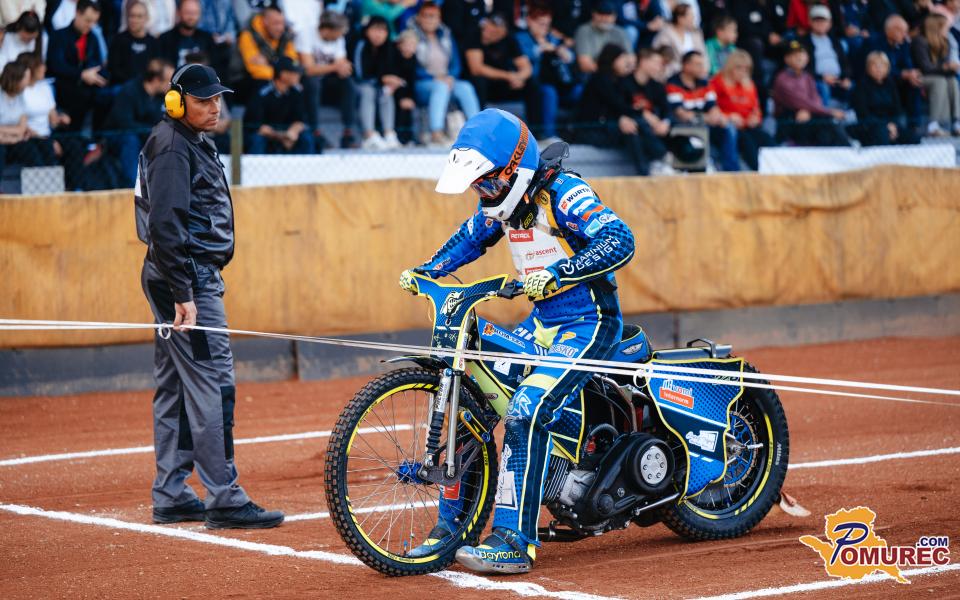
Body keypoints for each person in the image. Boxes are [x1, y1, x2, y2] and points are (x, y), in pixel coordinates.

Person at [399, 108, 634, 575]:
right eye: (478, 186)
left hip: (589, 323)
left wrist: (561, 271)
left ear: (515, 169)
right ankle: (453, 528)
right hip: (542, 322)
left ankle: (514, 540)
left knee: (526, 410)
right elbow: (469, 239)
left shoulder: (564, 193)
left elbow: (619, 238)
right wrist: (427, 271)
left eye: (488, 183)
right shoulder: (503, 204)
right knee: (473, 403)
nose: (483, 193)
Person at [136, 62, 284, 530]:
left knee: (177, 385)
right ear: (177, 102)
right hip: (187, 280)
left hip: (178, 276)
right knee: (213, 383)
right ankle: (224, 497)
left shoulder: (186, 140)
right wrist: (184, 291)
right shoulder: (173, 147)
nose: (215, 106)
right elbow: (165, 224)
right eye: (203, 100)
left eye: (217, 97)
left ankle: (171, 492)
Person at [577, 43, 668, 175]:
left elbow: (620, 107)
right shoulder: (600, 79)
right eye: (622, 59)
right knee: (634, 126)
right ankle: (655, 162)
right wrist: (640, 113)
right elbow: (616, 105)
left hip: (608, 125)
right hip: (592, 129)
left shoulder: (617, 80)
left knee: (632, 126)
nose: (626, 63)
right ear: (612, 60)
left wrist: (628, 116)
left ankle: (654, 164)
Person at [408, 1, 480, 146]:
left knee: (465, 87)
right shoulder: (411, 36)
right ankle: (436, 133)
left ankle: (479, 131)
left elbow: (456, 63)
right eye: (426, 16)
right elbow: (411, 67)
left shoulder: (446, 35)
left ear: (439, 18)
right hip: (422, 83)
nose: (430, 20)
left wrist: (451, 77)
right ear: (419, 18)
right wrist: (434, 78)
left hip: (447, 80)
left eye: (433, 16)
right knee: (440, 87)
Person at [103, 57, 172, 187]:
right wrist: (151, 131)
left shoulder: (162, 97)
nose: (172, 85)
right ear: (156, 80)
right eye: (169, 81)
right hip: (118, 136)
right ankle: (134, 186)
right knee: (131, 140)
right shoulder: (129, 91)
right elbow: (124, 123)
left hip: (146, 136)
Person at [666, 50, 738, 171]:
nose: (702, 68)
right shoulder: (673, 84)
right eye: (698, 64)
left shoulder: (705, 83)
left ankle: (731, 170)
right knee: (701, 127)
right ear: (686, 66)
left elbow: (713, 107)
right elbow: (681, 113)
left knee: (728, 127)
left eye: (702, 64)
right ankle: (706, 164)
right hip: (684, 126)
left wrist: (718, 117)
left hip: (705, 122)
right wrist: (706, 118)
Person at [466, 14, 541, 129]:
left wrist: (519, 77)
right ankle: (479, 128)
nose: (488, 34)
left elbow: (526, 67)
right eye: (487, 29)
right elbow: (476, 69)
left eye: (494, 32)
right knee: (479, 82)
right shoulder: (474, 36)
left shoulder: (509, 39)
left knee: (532, 83)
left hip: (505, 83)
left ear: (503, 32)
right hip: (485, 83)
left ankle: (537, 130)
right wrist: (509, 76)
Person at [515, 7, 578, 140]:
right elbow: (523, 63)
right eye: (540, 23)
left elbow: (571, 58)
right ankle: (549, 135)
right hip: (536, 84)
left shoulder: (553, 38)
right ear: (529, 21)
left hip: (561, 82)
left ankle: (579, 132)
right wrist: (540, 50)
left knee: (579, 91)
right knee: (549, 92)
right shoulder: (521, 38)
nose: (544, 27)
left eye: (547, 24)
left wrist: (561, 52)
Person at [771, 41, 851, 146]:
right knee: (822, 121)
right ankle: (846, 148)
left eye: (802, 54)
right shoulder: (782, 79)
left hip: (809, 115)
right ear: (786, 59)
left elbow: (816, 99)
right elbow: (798, 102)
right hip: (789, 120)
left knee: (825, 123)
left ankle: (844, 148)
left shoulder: (807, 76)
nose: (799, 57)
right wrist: (829, 112)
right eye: (794, 55)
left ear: (808, 58)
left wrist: (810, 111)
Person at [299, 10, 359, 148]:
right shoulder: (306, 35)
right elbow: (308, 69)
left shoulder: (338, 39)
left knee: (349, 84)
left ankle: (348, 133)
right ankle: (315, 132)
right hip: (307, 80)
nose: (340, 36)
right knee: (312, 83)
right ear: (326, 30)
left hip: (328, 79)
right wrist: (335, 66)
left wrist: (340, 67)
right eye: (338, 32)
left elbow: (342, 66)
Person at [46, 0, 106, 131]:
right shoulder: (59, 36)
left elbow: (97, 63)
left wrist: (93, 75)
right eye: (88, 20)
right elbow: (56, 65)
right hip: (64, 87)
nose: (91, 25)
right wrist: (81, 74)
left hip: (89, 88)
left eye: (94, 22)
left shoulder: (93, 38)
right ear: (77, 13)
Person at [710, 49, 774, 170]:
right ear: (730, 67)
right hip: (727, 127)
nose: (742, 72)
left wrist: (755, 118)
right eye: (739, 68)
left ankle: (775, 171)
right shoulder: (717, 83)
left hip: (747, 126)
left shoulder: (749, 85)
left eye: (746, 69)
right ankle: (755, 172)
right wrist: (728, 116)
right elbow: (711, 108)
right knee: (747, 142)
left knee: (767, 139)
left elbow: (756, 109)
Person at [244, 55, 314, 154]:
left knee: (306, 138)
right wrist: (282, 137)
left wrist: (293, 132)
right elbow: (258, 127)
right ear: (283, 74)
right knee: (257, 140)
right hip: (267, 136)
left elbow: (301, 120)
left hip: (288, 135)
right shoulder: (262, 93)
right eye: (294, 72)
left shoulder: (297, 92)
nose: (298, 75)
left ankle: (306, 164)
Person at [353, 16, 402, 150]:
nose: (378, 34)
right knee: (368, 91)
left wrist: (393, 82)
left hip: (378, 85)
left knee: (386, 91)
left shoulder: (390, 48)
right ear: (367, 31)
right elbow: (359, 73)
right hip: (358, 84)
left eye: (382, 31)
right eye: (375, 30)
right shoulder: (360, 45)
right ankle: (368, 135)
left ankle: (389, 133)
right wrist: (382, 79)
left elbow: (393, 71)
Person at [851, 50, 917, 145]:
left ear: (887, 68)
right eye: (875, 65)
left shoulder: (891, 84)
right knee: (881, 133)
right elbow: (863, 114)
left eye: (882, 65)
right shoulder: (861, 86)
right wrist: (886, 126)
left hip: (890, 124)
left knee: (913, 137)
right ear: (868, 67)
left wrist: (893, 125)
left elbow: (897, 110)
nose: (879, 69)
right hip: (870, 127)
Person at [912, 12, 960, 136]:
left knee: (952, 80)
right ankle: (933, 125)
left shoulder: (944, 41)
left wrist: (951, 68)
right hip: (920, 77)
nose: (948, 31)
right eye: (945, 27)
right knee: (940, 82)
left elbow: (944, 67)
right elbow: (925, 67)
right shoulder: (919, 41)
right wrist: (946, 67)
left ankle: (956, 122)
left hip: (938, 76)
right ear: (936, 27)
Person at [799, 5, 852, 107]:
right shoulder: (804, 42)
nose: (820, 23)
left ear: (830, 23)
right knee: (823, 88)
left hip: (838, 80)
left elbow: (845, 63)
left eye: (823, 20)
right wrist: (822, 77)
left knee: (852, 86)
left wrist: (846, 77)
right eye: (816, 20)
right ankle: (825, 116)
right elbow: (803, 67)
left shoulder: (836, 41)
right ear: (810, 22)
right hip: (817, 81)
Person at [237, 4, 298, 88]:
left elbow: (292, 60)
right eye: (276, 23)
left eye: (282, 23)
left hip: (280, 77)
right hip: (250, 82)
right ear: (264, 21)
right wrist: (281, 73)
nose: (280, 28)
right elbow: (255, 69)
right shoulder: (247, 35)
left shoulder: (284, 33)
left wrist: (271, 65)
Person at [107, 0, 159, 85]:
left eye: (139, 16)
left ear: (146, 18)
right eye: (132, 16)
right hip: (123, 86)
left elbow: (156, 69)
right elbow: (113, 69)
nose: (135, 20)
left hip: (146, 87)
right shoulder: (118, 40)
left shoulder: (153, 42)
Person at [574, 1, 631, 75]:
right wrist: (613, 69)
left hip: (617, 74)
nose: (604, 18)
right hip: (593, 76)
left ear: (614, 16)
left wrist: (620, 67)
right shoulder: (584, 30)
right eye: (601, 14)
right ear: (594, 14)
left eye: (608, 15)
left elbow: (631, 60)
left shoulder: (620, 31)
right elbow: (585, 65)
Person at [652, 3, 706, 78]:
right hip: (672, 76)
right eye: (690, 16)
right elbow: (664, 59)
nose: (693, 18)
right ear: (680, 18)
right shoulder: (665, 34)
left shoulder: (696, 33)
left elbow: (703, 55)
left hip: (696, 75)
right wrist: (686, 69)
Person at [158, 0, 215, 68]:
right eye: (187, 12)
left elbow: (215, 67)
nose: (191, 17)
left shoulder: (207, 39)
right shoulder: (165, 39)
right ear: (178, 13)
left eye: (195, 13)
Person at [390, 28, 418, 145]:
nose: (409, 48)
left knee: (409, 107)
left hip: (407, 92)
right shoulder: (394, 57)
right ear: (400, 45)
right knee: (399, 107)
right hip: (394, 91)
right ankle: (397, 136)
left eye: (412, 45)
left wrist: (410, 98)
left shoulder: (413, 59)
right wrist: (402, 98)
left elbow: (412, 82)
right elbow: (395, 79)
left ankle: (409, 137)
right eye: (406, 44)